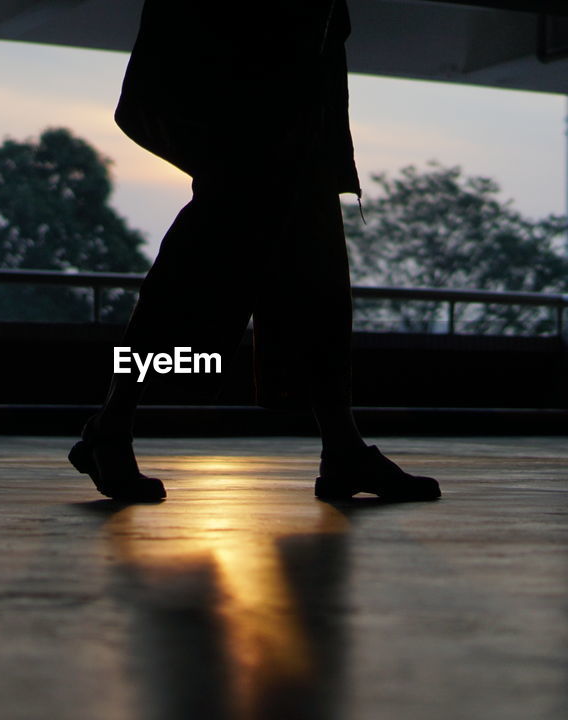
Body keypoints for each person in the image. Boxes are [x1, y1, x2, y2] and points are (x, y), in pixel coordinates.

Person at [68, 0, 440, 503]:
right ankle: (112, 425)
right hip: (254, 95)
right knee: (202, 269)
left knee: (312, 274)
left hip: (289, 101)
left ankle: (341, 445)